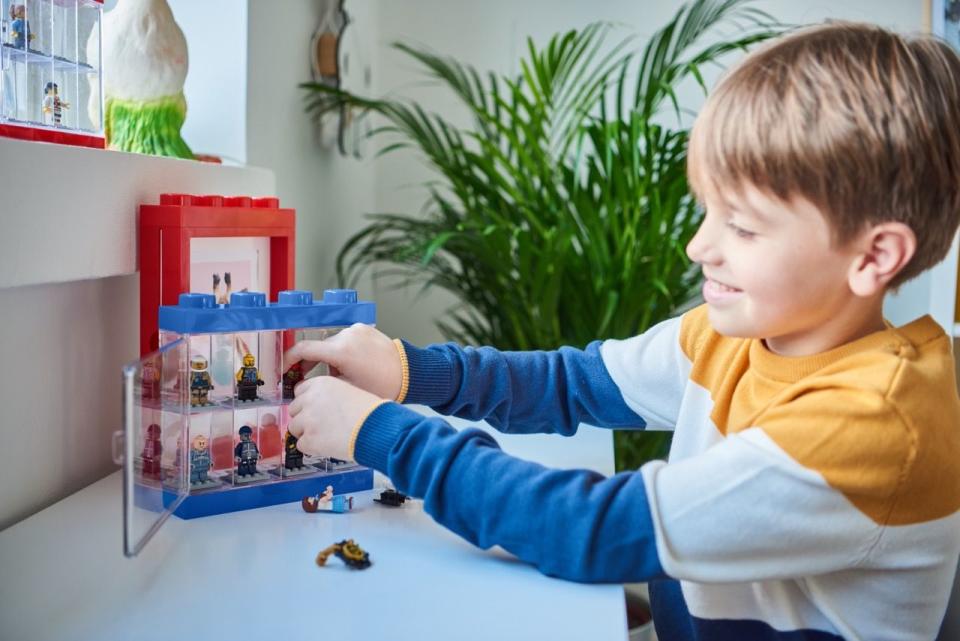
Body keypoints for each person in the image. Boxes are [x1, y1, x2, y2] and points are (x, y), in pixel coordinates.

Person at [284, 22, 960, 640]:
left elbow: (595, 529)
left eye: (743, 226)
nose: (700, 246)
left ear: (873, 257)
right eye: (708, 211)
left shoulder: (875, 424)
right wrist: (407, 370)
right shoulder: (738, 334)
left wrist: (382, 431)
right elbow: (573, 382)